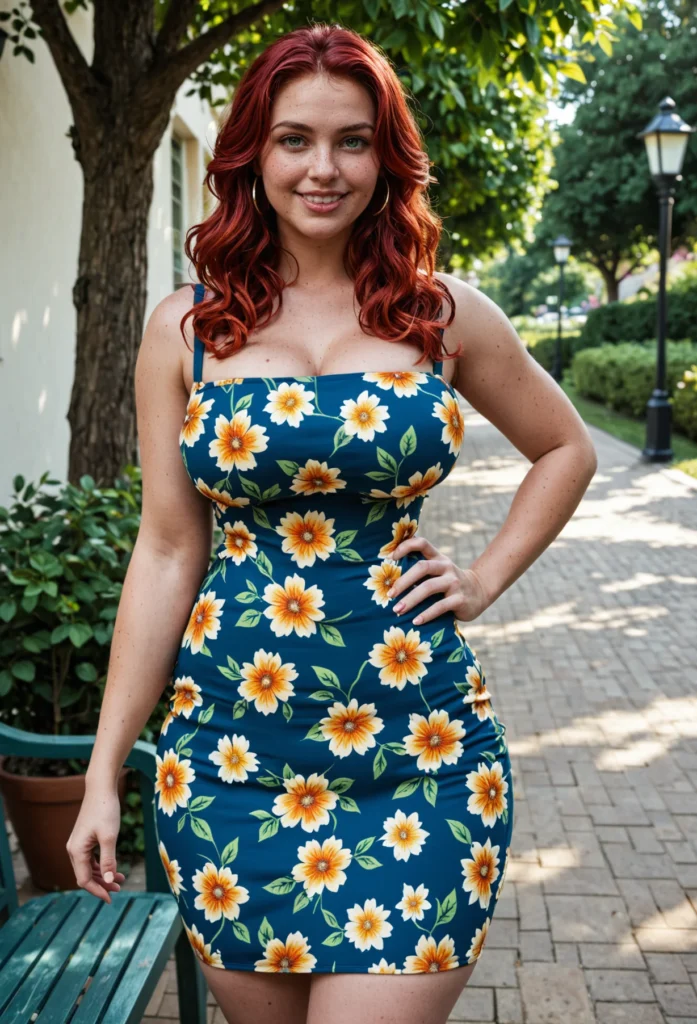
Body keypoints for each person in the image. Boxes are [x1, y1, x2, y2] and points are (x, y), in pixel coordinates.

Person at [66, 22, 597, 1024]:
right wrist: (104, 773)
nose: (323, 168)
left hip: (420, 755)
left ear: (385, 158)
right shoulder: (186, 327)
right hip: (231, 760)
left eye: (352, 140)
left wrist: (482, 576)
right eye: (294, 139)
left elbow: (564, 448)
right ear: (250, 156)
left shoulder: (443, 314)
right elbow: (168, 548)